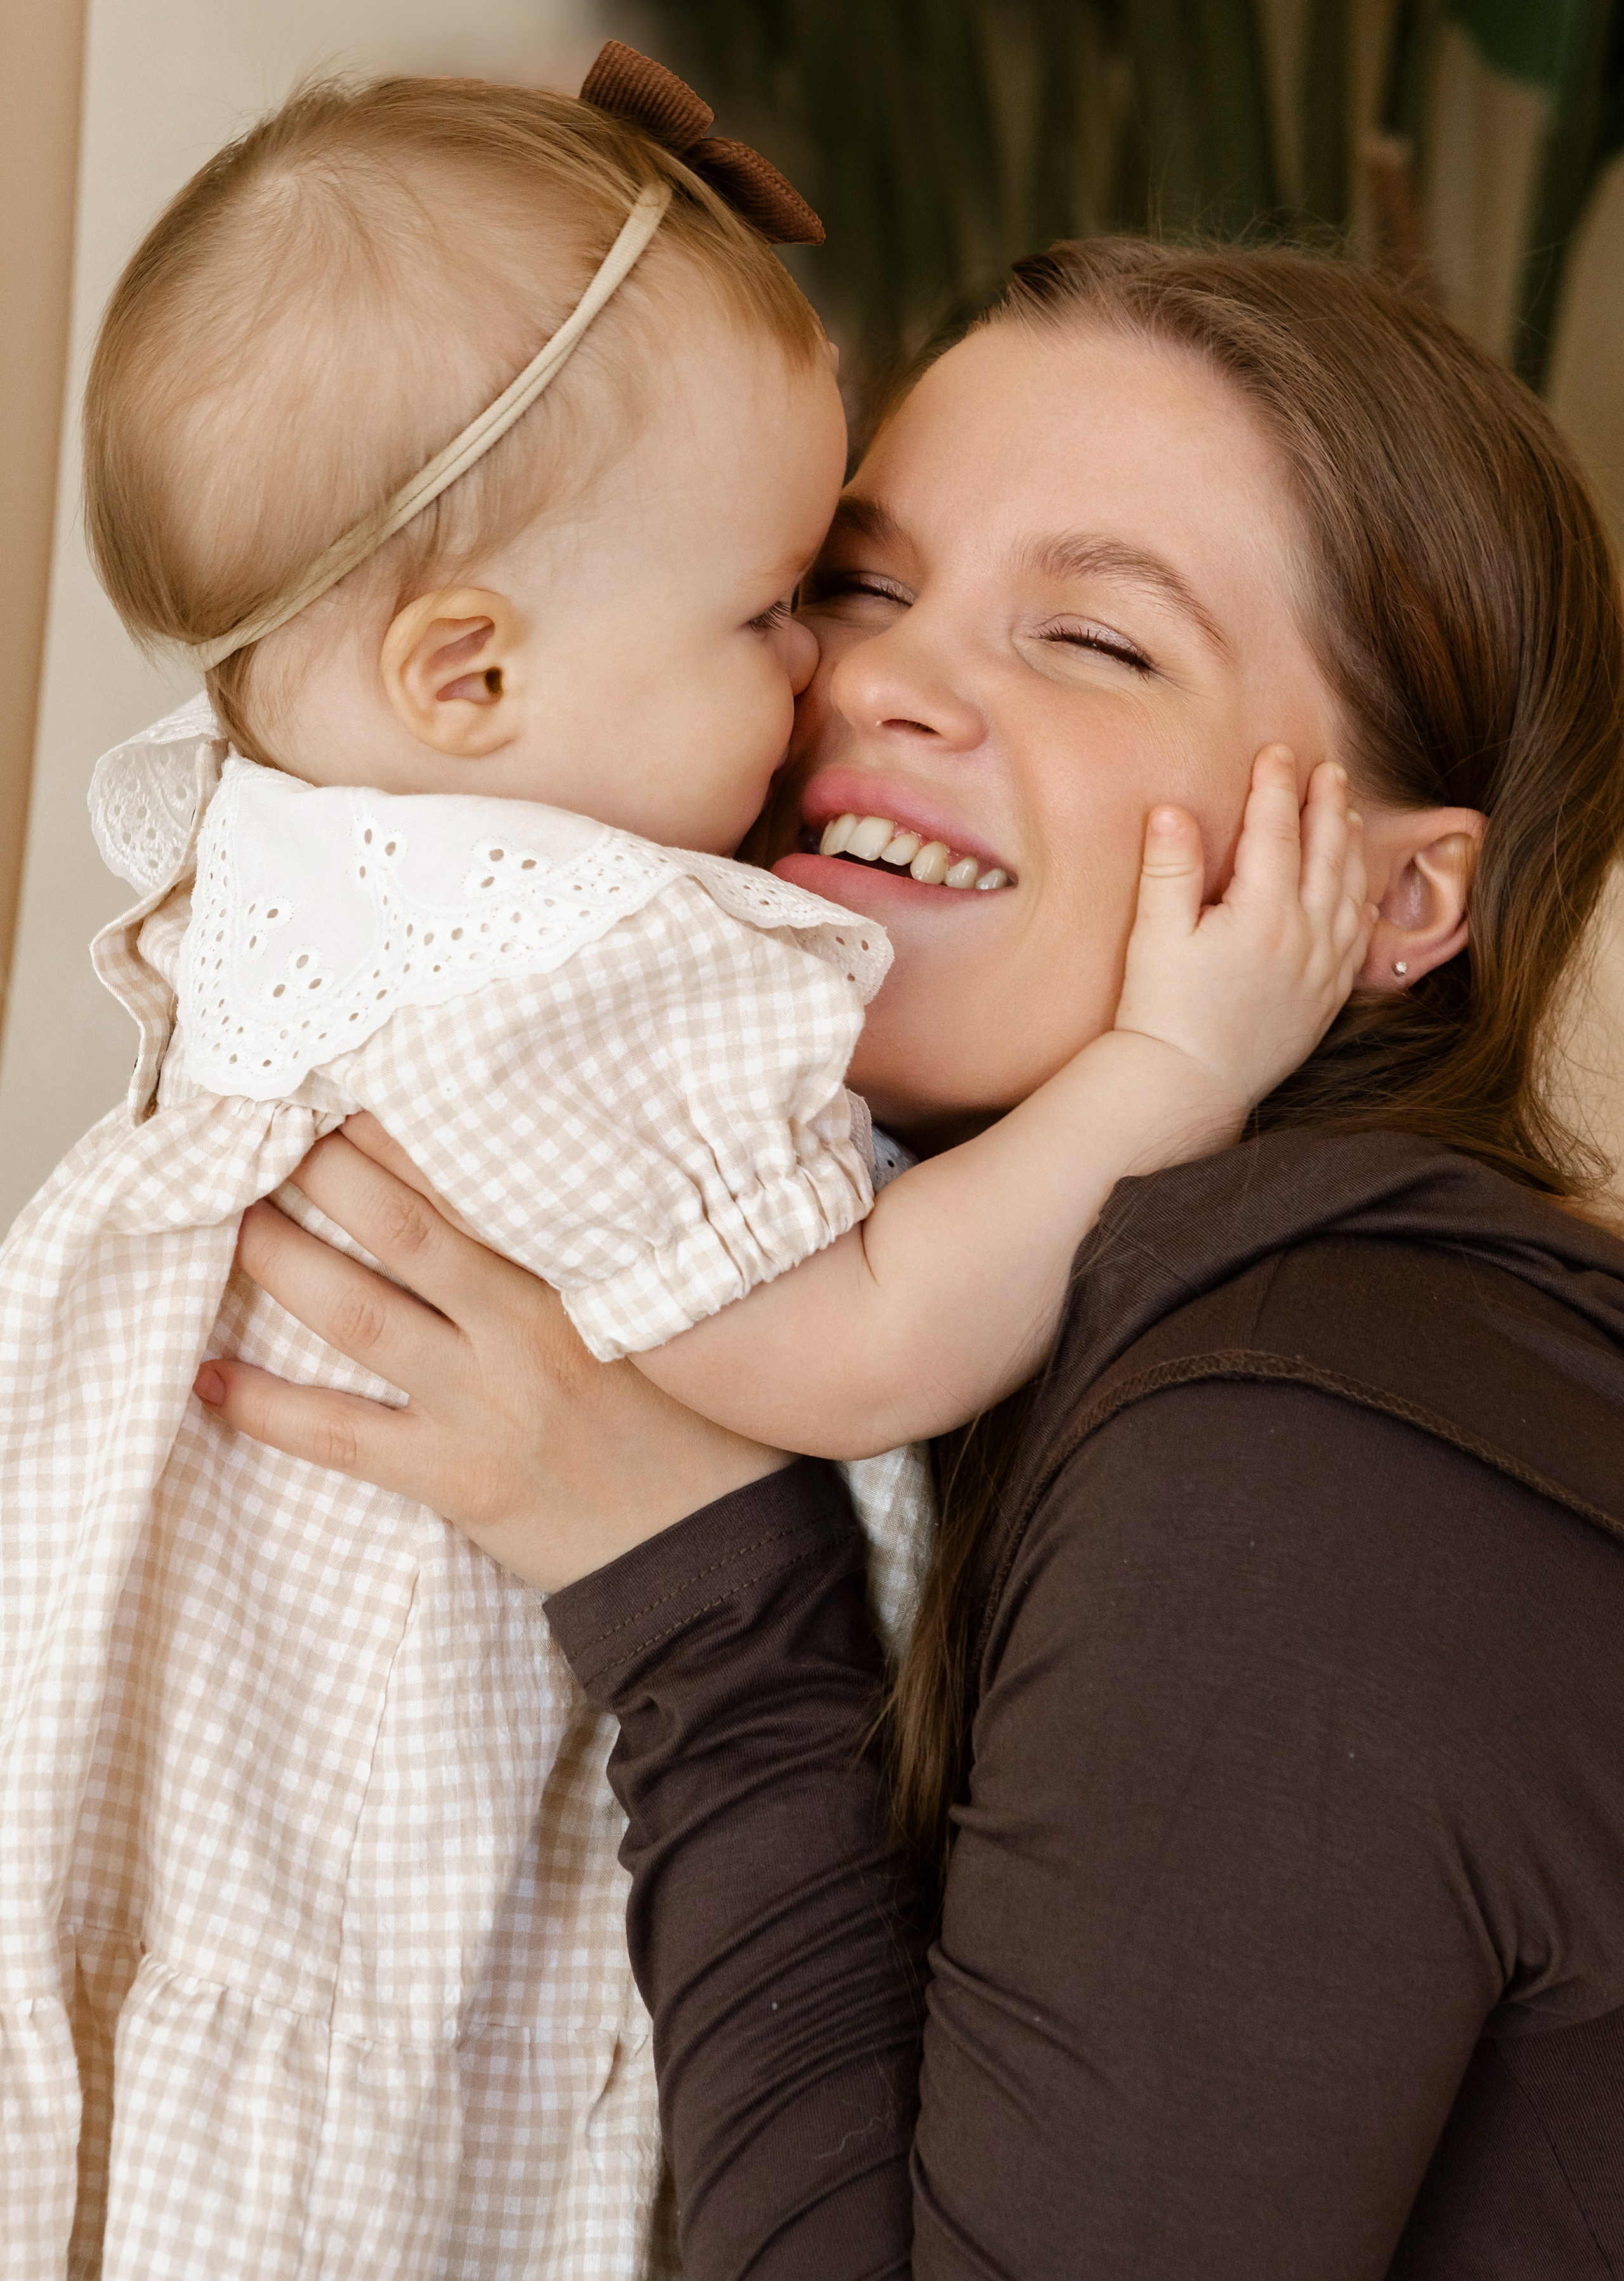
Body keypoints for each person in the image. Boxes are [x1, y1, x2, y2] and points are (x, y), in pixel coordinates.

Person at [0, 50, 1365, 2281]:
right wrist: (1169, 1067)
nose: (843, 689)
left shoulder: (298, 834)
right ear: (471, 672)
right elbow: (858, 1342)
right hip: (387, 1874)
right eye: (793, 600)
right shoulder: (581, 958)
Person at [206, 238, 1624, 2278]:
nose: (875, 681)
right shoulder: (998, 1306)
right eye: (850, 586)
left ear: (1400, 900)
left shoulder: (1314, 1439)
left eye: (1096, 640)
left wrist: (700, 1590)